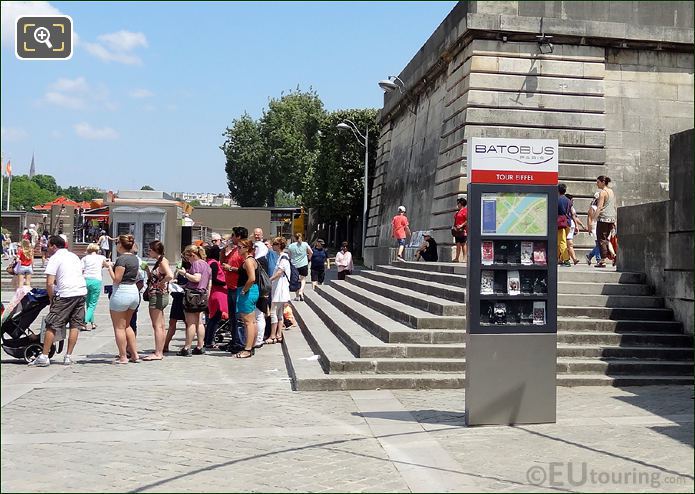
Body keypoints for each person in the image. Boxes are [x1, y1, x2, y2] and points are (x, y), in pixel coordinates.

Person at [28, 236, 87, 367]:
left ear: (54, 246)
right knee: (75, 324)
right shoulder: (73, 256)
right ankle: (68, 356)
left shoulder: (55, 258)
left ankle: (44, 356)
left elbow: (49, 282)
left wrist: (51, 298)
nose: (46, 248)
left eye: (48, 246)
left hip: (65, 294)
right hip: (81, 292)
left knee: (52, 323)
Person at [105, 234, 141, 364]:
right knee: (127, 325)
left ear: (120, 245)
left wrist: (109, 267)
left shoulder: (121, 259)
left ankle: (123, 356)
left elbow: (116, 279)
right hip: (133, 291)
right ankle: (135, 354)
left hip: (121, 293)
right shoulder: (135, 259)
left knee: (119, 327)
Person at [176, 245, 211, 356]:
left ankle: (187, 347)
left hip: (193, 295)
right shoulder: (206, 264)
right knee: (199, 322)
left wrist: (184, 273)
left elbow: (197, 278)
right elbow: (208, 282)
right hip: (203, 294)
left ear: (191, 255)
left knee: (190, 323)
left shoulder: (196, 264)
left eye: (186, 256)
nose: (186, 259)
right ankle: (200, 346)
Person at [143, 240, 173, 360]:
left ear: (156, 251)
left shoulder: (162, 262)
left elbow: (170, 275)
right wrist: (147, 271)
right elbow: (155, 277)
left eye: (150, 250)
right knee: (161, 324)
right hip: (161, 295)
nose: (149, 252)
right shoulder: (160, 261)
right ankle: (161, 348)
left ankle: (158, 352)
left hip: (157, 295)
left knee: (157, 325)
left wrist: (161, 283)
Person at [221, 226, 246, 352]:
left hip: (238, 287)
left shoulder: (243, 252)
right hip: (230, 286)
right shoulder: (233, 250)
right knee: (232, 317)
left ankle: (240, 343)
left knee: (238, 317)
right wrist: (223, 251)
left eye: (233, 235)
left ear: (239, 236)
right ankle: (234, 340)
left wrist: (230, 268)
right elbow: (222, 262)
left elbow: (245, 270)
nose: (231, 237)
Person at [234, 239, 259, 358]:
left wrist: (244, 290)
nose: (238, 249)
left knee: (248, 322)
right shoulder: (251, 260)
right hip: (252, 291)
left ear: (246, 248)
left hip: (248, 291)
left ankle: (247, 349)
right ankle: (251, 346)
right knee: (252, 321)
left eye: (240, 247)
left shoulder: (248, 261)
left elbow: (252, 278)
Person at [266, 237, 290, 344]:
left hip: (280, 289)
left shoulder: (283, 258)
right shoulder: (281, 257)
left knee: (273, 312)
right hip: (280, 288)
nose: (273, 246)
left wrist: (269, 280)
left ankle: (272, 335)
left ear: (279, 246)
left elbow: (279, 272)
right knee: (279, 313)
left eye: (275, 244)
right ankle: (278, 335)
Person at [204, 244, 228, 349]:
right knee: (215, 318)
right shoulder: (213, 263)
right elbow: (213, 279)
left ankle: (208, 340)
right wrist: (224, 282)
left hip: (214, 292)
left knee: (212, 318)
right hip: (217, 292)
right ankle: (209, 341)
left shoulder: (208, 262)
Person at [81, 243, 107, 330]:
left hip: (85, 280)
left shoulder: (84, 258)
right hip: (96, 280)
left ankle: (92, 323)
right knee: (92, 304)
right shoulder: (102, 258)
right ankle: (84, 321)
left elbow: (81, 269)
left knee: (88, 303)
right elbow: (106, 265)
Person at [595, 175, 617, 268]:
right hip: (611, 218)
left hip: (603, 218)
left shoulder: (602, 193)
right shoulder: (611, 191)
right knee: (607, 239)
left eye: (598, 182)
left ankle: (603, 260)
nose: (597, 184)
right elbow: (614, 205)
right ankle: (614, 255)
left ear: (603, 182)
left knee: (601, 239)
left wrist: (594, 218)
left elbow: (599, 206)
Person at [163, 270, 187, 353]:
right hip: (178, 298)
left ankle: (187, 346)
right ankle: (165, 345)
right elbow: (174, 277)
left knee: (188, 323)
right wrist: (174, 282)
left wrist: (182, 286)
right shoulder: (180, 267)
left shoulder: (193, 267)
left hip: (187, 298)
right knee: (172, 322)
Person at [287, 233, 312, 301]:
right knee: (303, 279)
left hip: (294, 265)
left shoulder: (291, 246)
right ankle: (301, 291)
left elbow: (289, 255)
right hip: (303, 264)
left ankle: (297, 296)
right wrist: (309, 259)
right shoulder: (305, 244)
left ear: (294, 238)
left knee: (296, 280)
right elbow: (311, 252)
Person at [565, 194, 586, 266]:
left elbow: (575, 217)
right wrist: (579, 225)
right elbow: (574, 217)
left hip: (569, 225)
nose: (573, 202)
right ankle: (571, 259)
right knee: (568, 243)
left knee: (568, 243)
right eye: (572, 200)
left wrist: (580, 225)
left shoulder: (570, 207)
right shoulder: (569, 207)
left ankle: (572, 259)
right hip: (567, 225)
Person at [585, 192, 602, 266]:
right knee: (598, 244)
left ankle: (590, 256)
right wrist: (589, 228)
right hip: (595, 227)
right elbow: (589, 218)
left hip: (600, 226)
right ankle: (598, 259)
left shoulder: (601, 207)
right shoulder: (593, 208)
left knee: (599, 244)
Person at [557, 183, 572, 267]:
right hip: (567, 222)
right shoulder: (568, 200)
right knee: (561, 241)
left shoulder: (557, 200)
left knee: (562, 242)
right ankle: (559, 258)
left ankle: (566, 259)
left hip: (560, 223)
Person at [452, 197, 468, 263]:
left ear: (461, 204)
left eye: (458, 203)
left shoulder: (465, 210)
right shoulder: (458, 212)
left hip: (463, 230)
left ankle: (464, 258)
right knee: (458, 244)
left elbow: (468, 219)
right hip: (457, 230)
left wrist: (462, 225)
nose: (457, 205)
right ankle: (457, 258)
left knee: (463, 244)